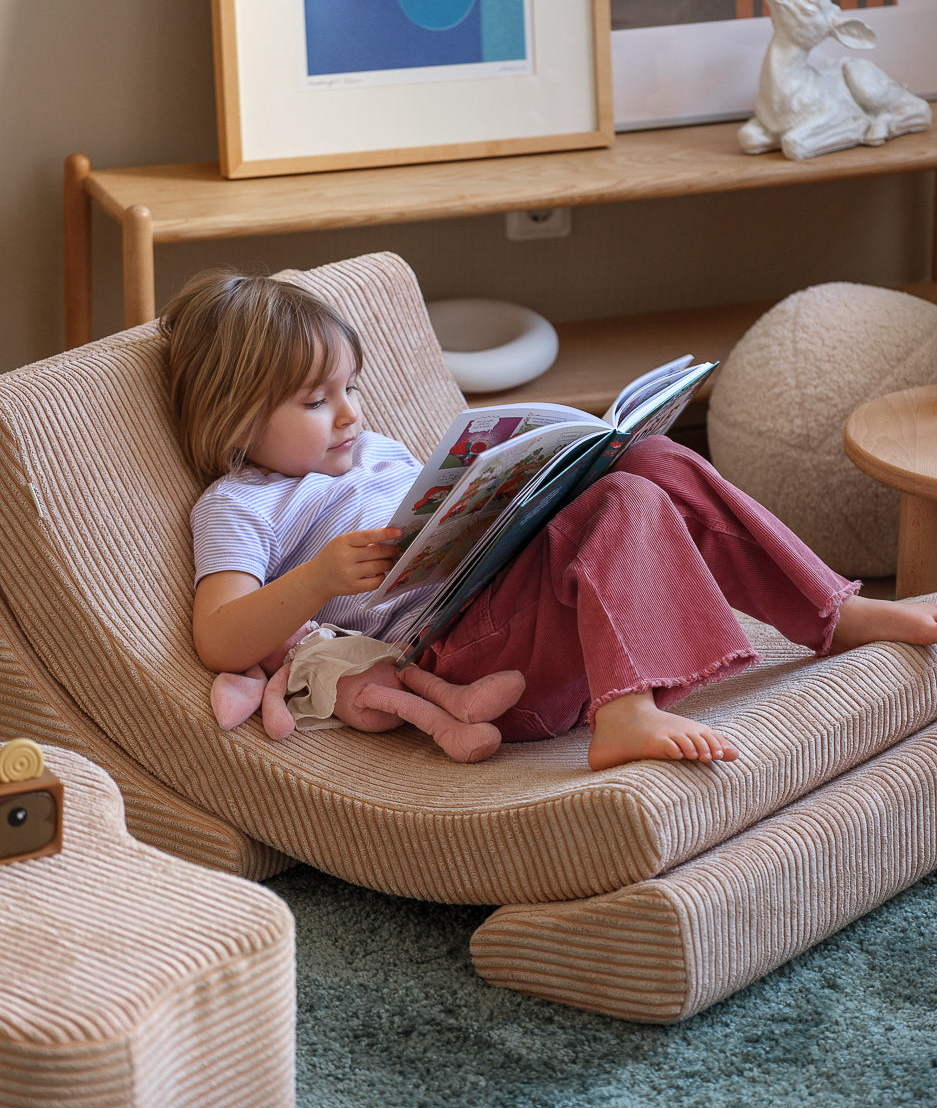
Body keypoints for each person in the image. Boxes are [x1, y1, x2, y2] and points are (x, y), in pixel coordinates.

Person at [162, 269, 937, 772]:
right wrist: (317, 578)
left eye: (349, 387)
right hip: (469, 661)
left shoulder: (375, 450)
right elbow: (218, 634)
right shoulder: (239, 502)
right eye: (314, 400)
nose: (348, 414)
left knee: (652, 466)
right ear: (236, 420)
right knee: (621, 504)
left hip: (517, 604)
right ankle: (623, 713)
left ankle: (833, 610)